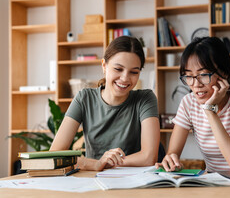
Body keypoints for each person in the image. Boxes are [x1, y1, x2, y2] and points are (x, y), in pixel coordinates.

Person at [50, 36, 160, 171]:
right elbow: (55, 154)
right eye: (118, 69)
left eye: (134, 72)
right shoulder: (84, 98)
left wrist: (107, 163)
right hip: (93, 179)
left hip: (134, 182)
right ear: (104, 65)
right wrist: (96, 164)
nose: (125, 78)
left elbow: (149, 157)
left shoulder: (145, 99)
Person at [156, 37, 230, 172]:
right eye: (189, 76)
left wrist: (210, 111)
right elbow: (172, 154)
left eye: (204, 75)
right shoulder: (189, 102)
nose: (196, 85)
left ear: (224, 73)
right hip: (211, 183)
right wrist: (170, 160)